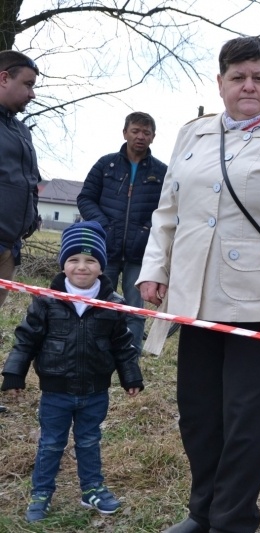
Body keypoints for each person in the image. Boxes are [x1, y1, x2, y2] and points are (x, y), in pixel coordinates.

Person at [137, 36, 260, 533]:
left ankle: (232, 521)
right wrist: (153, 270)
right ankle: (202, 512)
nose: (248, 85)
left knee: (248, 423)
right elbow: (168, 212)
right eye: (237, 76)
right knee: (199, 416)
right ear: (221, 83)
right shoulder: (194, 136)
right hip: (195, 298)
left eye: (258, 77)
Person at [0, 221, 143, 523]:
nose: (82, 267)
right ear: (63, 264)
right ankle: (41, 492)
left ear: (102, 267)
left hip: (95, 391)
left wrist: (131, 376)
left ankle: (91, 488)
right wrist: (14, 373)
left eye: (91, 260)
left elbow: (123, 345)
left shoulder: (112, 304)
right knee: (51, 442)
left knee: (89, 440)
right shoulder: (46, 301)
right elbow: (26, 340)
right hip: (56, 392)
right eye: (74, 260)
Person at [77, 112, 168, 356]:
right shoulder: (106, 165)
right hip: (104, 250)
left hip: (140, 252)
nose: (140, 137)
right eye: (135, 131)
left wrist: (147, 229)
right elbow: (85, 198)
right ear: (125, 132)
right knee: (97, 301)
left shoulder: (162, 172)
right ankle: (91, 350)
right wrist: (103, 225)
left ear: (153, 137)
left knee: (135, 309)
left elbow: (168, 208)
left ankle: (130, 356)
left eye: (146, 133)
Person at [0, 51, 42, 414]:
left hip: (9, 245)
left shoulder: (19, 128)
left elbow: (28, 182)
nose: (32, 93)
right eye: (27, 84)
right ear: (3, 78)